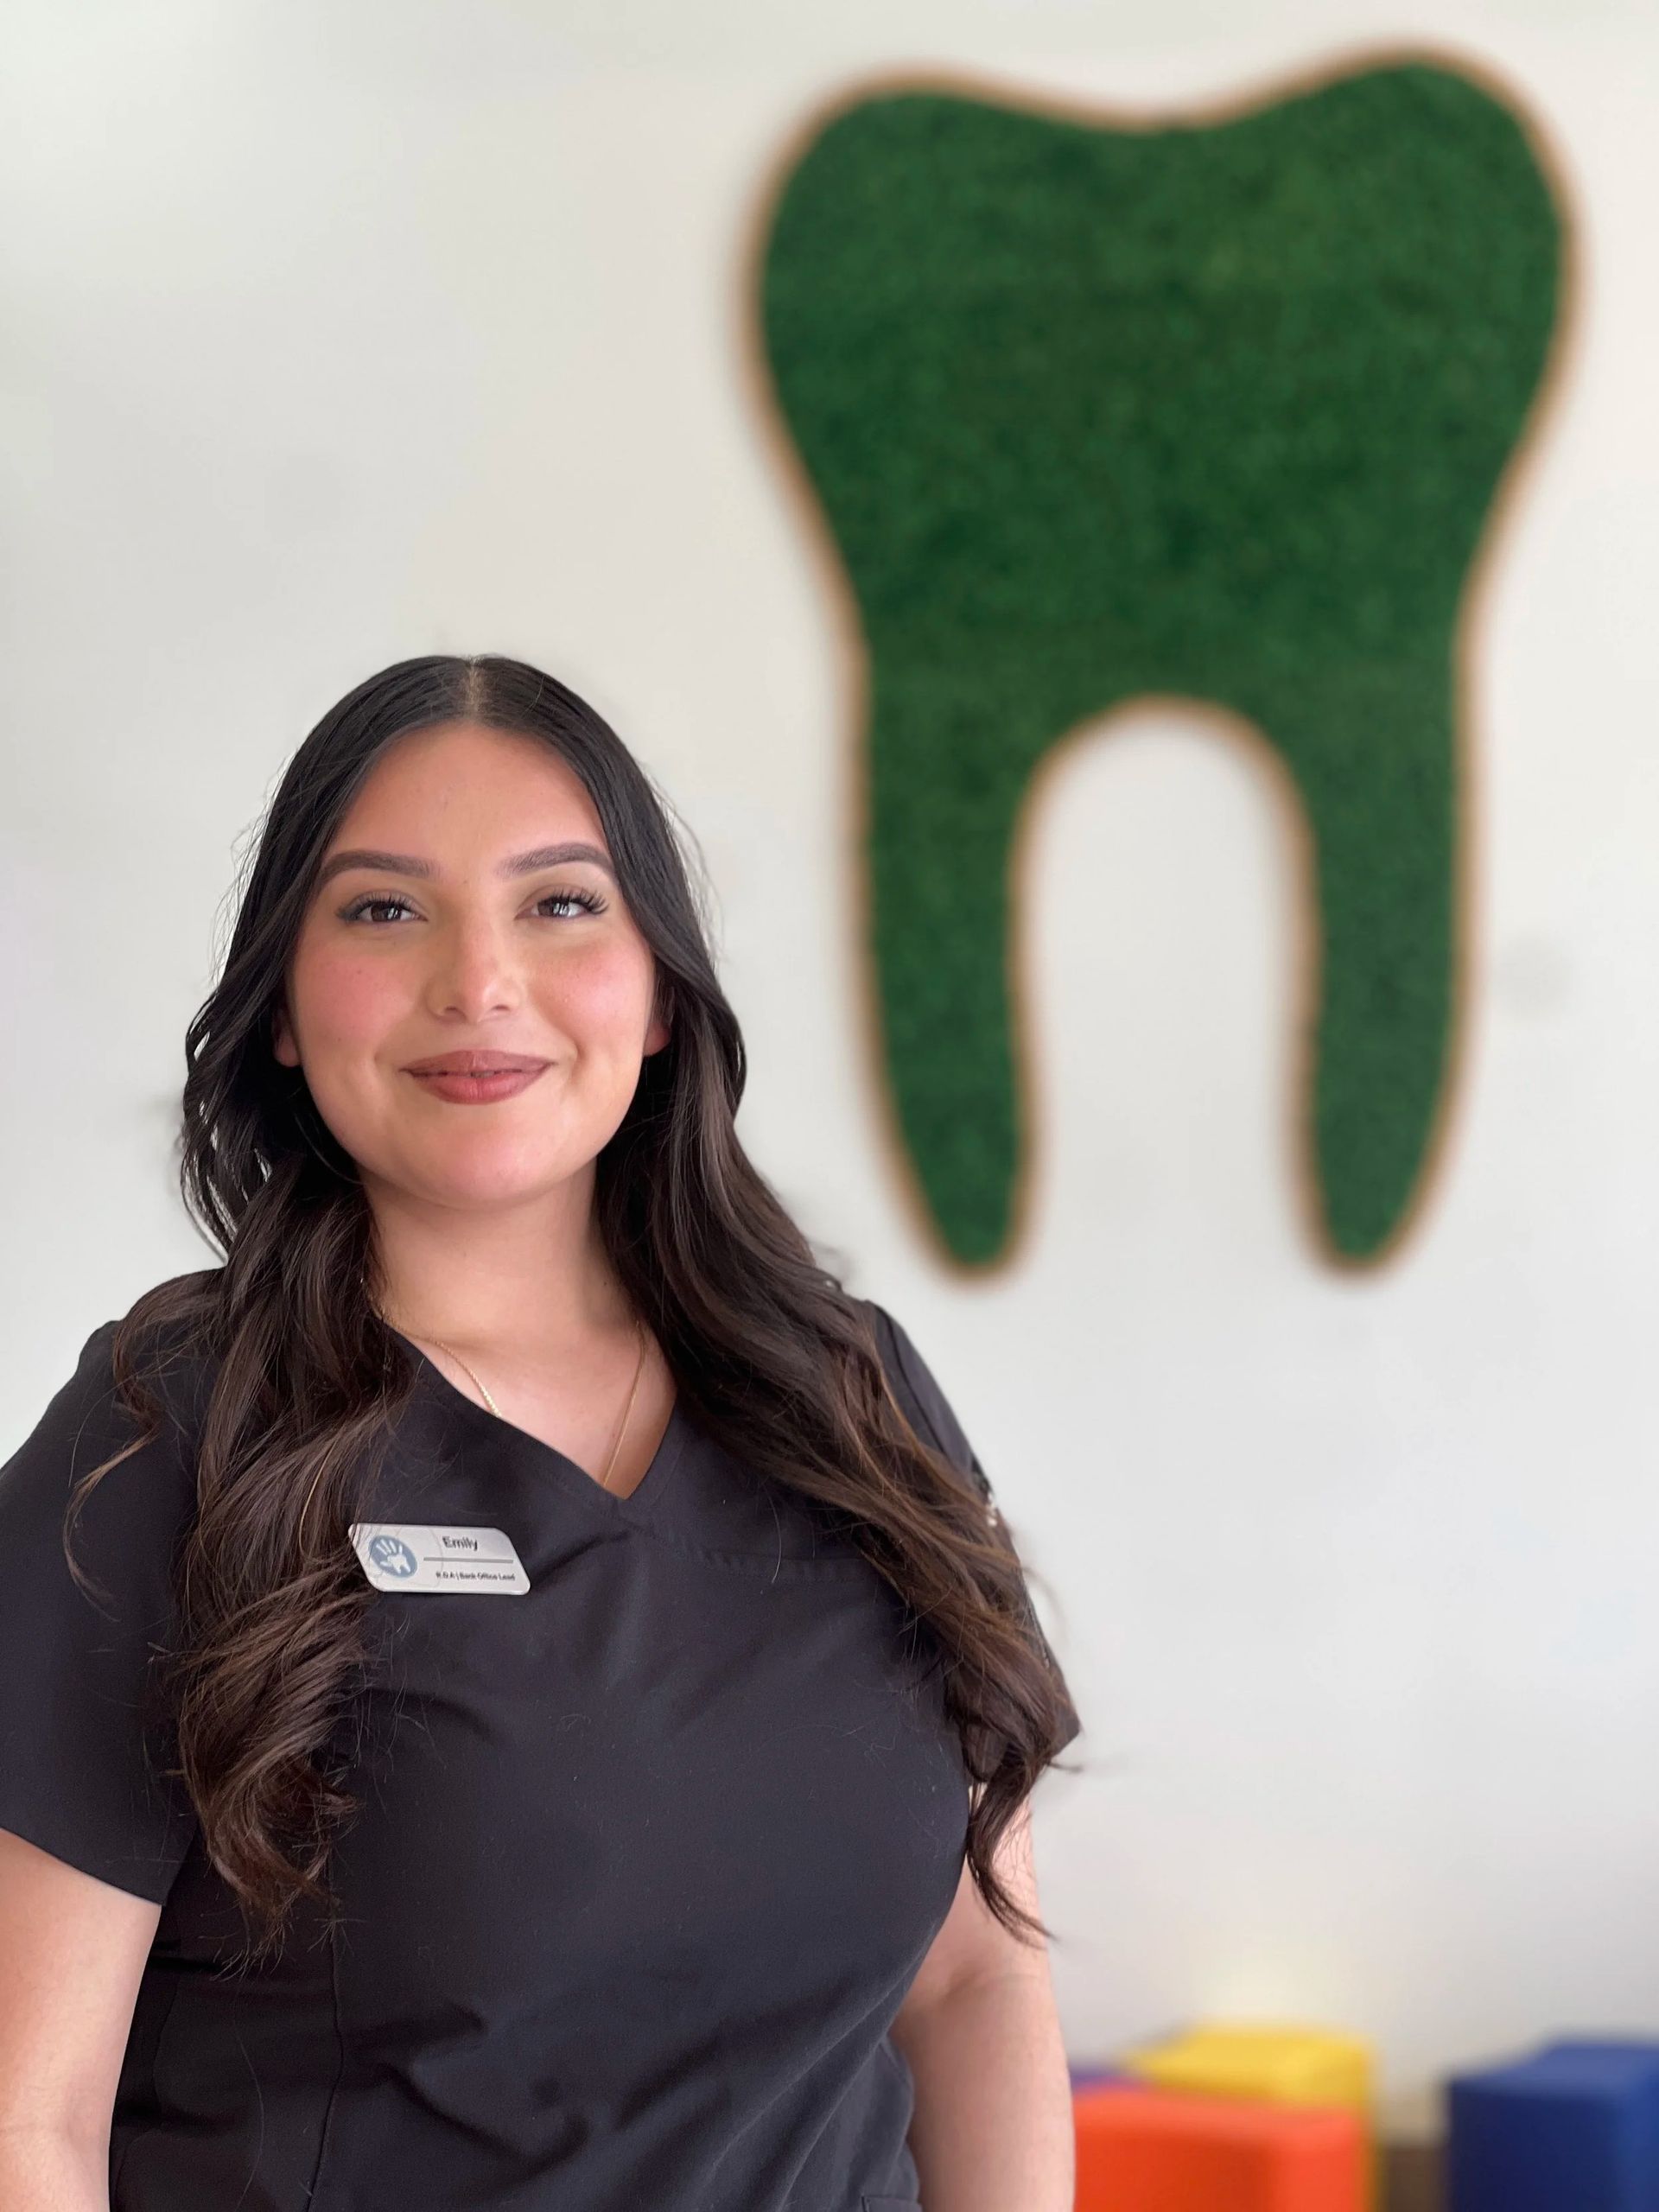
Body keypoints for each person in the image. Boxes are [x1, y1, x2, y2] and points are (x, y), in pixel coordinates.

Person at [0, 652, 1083, 2212]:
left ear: (657, 994)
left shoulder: (853, 1402)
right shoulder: (168, 1435)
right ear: (286, 1014)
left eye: (560, 904)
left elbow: (975, 1982)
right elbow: (24, 2126)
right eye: (383, 909)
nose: (478, 981)